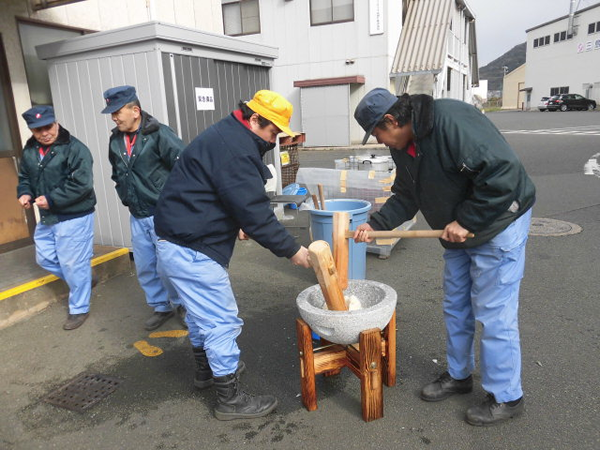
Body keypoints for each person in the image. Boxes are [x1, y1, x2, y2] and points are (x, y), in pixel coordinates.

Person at [353, 88, 536, 426]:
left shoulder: (452, 122)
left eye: (378, 133)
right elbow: (408, 193)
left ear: (391, 120)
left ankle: (506, 396)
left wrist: (467, 220)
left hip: (498, 222)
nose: (380, 142)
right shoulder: (403, 146)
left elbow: (503, 174)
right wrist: (375, 225)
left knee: (494, 312)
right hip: (454, 232)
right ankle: (459, 375)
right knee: (456, 305)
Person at [154, 89, 311, 421]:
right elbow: (254, 211)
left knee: (199, 315)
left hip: (176, 241)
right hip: (192, 249)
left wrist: (235, 220)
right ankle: (230, 400)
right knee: (221, 321)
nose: (273, 140)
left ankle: (205, 373)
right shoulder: (235, 149)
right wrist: (293, 250)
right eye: (271, 132)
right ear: (254, 119)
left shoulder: (227, 133)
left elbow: (218, 191)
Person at [101, 85, 186, 331]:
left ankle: (181, 303)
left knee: (168, 266)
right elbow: (117, 173)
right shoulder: (115, 139)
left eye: (118, 112)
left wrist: (175, 203)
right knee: (146, 265)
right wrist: (125, 196)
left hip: (163, 213)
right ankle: (161, 306)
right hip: (137, 214)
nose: (114, 117)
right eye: (112, 114)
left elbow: (185, 169)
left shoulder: (159, 134)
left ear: (135, 110)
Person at [17, 105, 97, 331]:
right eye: (37, 130)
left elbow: (82, 185)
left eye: (47, 127)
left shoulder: (75, 148)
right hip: (49, 215)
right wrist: (25, 192)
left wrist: (51, 199)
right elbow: (25, 176)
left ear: (56, 123)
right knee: (45, 259)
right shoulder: (31, 148)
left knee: (73, 264)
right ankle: (84, 277)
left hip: (75, 215)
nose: (44, 133)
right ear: (31, 130)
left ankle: (79, 308)